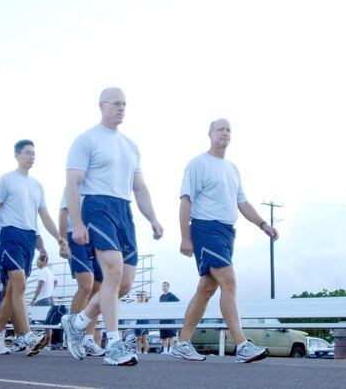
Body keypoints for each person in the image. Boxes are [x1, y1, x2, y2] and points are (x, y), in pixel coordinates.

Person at [61, 87, 164, 366]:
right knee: (114, 271)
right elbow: (72, 183)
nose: (121, 108)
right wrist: (78, 223)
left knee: (124, 283)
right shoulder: (87, 139)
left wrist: (152, 218)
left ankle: (78, 322)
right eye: (116, 103)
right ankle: (113, 343)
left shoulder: (131, 145)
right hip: (97, 206)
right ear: (101, 105)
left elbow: (140, 188)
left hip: (124, 210)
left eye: (125, 104)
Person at [171, 119, 278, 364]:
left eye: (228, 130)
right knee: (229, 281)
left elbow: (242, 203)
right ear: (209, 134)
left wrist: (263, 224)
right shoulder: (198, 164)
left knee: (207, 288)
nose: (225, 133)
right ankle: (242, 344)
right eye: (220, 129)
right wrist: (185, 236)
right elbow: (185, 201)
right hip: (205, 228)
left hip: (228, 232)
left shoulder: (232, 169)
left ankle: (182, 342)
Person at [0, 139, 65, 356]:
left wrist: (56, 238)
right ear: (17, 155)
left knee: (13, 290)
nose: (31, 156)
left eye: (34, 153)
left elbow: (43, 216)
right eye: (28, 153)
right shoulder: (6, 180)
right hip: (8, 236)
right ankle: (28, 335)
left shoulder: (37, 185)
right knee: (18, 284)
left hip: (29, 238)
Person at [58, 193, 104, 356]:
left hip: (95, 238)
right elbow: (63, 213)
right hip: (74, 237)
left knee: (99, 288)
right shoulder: (73, 186)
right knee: (86, 284)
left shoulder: (97, 184)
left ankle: (88, 339)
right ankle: (73, 333)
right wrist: (63, 242)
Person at [158, 281, 179, 354]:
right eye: (163, 286)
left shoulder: (171, 296)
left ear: (168, 287)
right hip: (163, 318)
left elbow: (178, 302)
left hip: (170, 318)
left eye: (165, 286)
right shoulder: (161, 297)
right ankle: (165, 350)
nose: (164, 287)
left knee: (171, 335)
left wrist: (172, 311)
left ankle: (171, 350)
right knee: (164, 335)